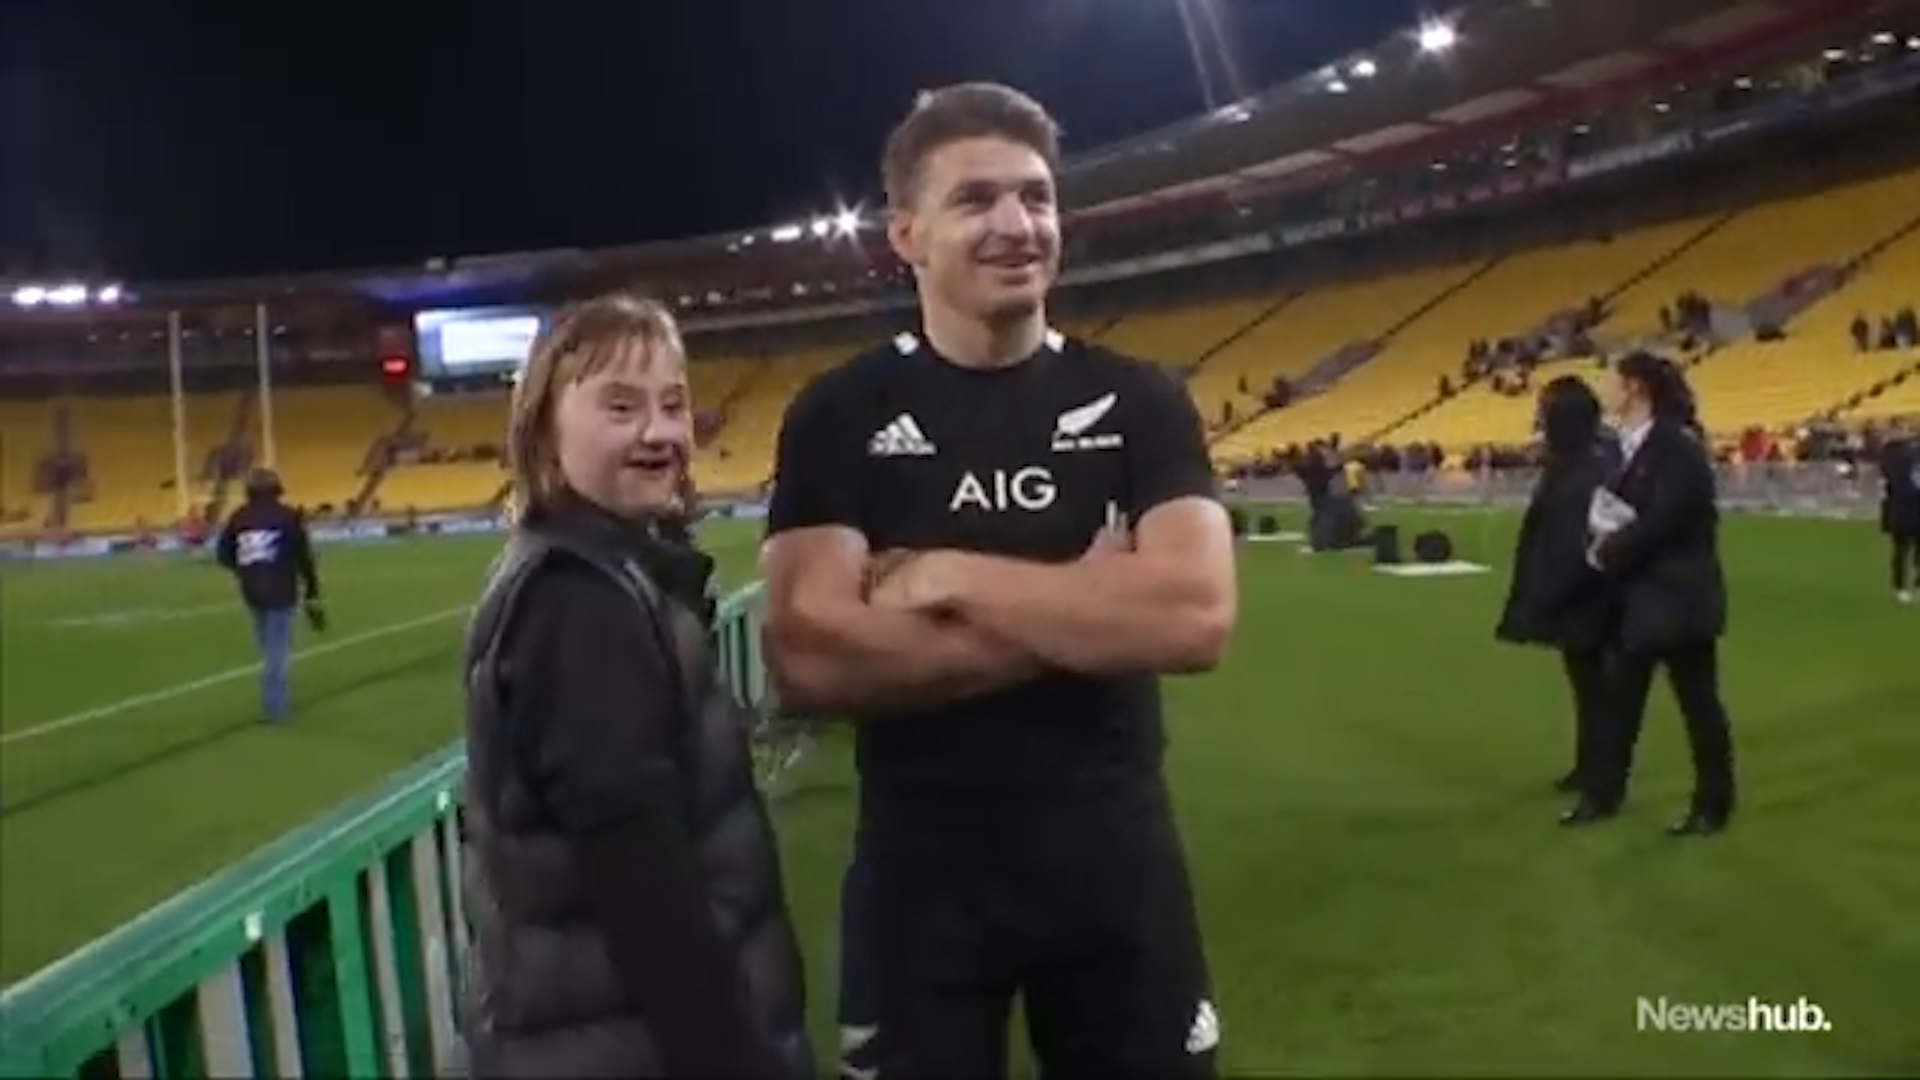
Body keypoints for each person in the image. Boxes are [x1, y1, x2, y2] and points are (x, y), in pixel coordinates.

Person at [763, 83, 1234, 1079]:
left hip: (1117, 870)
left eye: (1038, 197)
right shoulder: (839, 414)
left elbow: (1192, 618)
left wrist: (945, 575)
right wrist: (1091, 606)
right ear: (906, 233)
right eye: (977, 200)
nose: (1018, 225)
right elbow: (810, 657)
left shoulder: (1141, 401)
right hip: (920, 884)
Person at [459, 294, 811, 1079]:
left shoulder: (602, 572)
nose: (659, 431)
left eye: (674, 404)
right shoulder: (578, 602)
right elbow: (645, 888)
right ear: (544, 431)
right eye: (620, 406)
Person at [1571, 351, 1737, 836]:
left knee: (1698, 705)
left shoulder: (1678, 448)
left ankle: (1713, 804)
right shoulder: (1627, 448)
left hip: (1678, 599)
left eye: (1613, 380)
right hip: (1638, 601)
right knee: (1619, 704)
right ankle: (1603, 795)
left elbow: (1666, 520)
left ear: (1637, 387)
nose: (1606, 389)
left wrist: (1609, 552)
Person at [1495, 376, 1620, 799]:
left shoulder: (1582, 471)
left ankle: (1602, 778)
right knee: (1590, 690)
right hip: (1587, 596)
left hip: (1589, 598)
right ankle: (1591, 768)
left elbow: (1577, 544)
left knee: (1598, 691)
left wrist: (1548, 595)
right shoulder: (1578, 463)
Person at [215, 467, 321, 723]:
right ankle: (276, 707)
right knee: (278, 650)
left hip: (252, 591)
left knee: (268, 646)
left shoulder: (239, 517)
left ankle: (273, 699)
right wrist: (312, 589)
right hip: (281, 588)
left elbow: (223, 554)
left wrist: (244, 570)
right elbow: (303, 556)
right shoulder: (288, 516)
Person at [1877, 422, 1918, 602]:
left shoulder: (1887, 457)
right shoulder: (1911, 455)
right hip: (1910, 506)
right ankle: (1909, 585)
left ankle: (1900, 587)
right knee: (1905, 549)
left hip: (1897, 509)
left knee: (1901, 550)